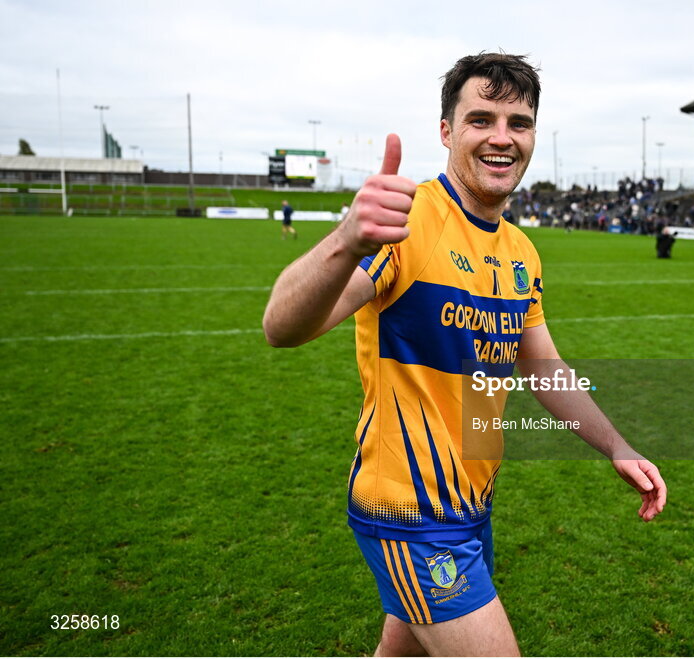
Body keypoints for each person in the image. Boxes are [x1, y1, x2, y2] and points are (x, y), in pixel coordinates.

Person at [262, 53, 666, 657]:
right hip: (411, 512)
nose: (502, 138)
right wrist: (346, 240)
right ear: (447, 131)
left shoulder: (521, 251)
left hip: (470, 506)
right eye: (481, 119)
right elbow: (281, 327)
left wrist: (616, 445)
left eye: (519, 122)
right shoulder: (412, 220)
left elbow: (544, 366)